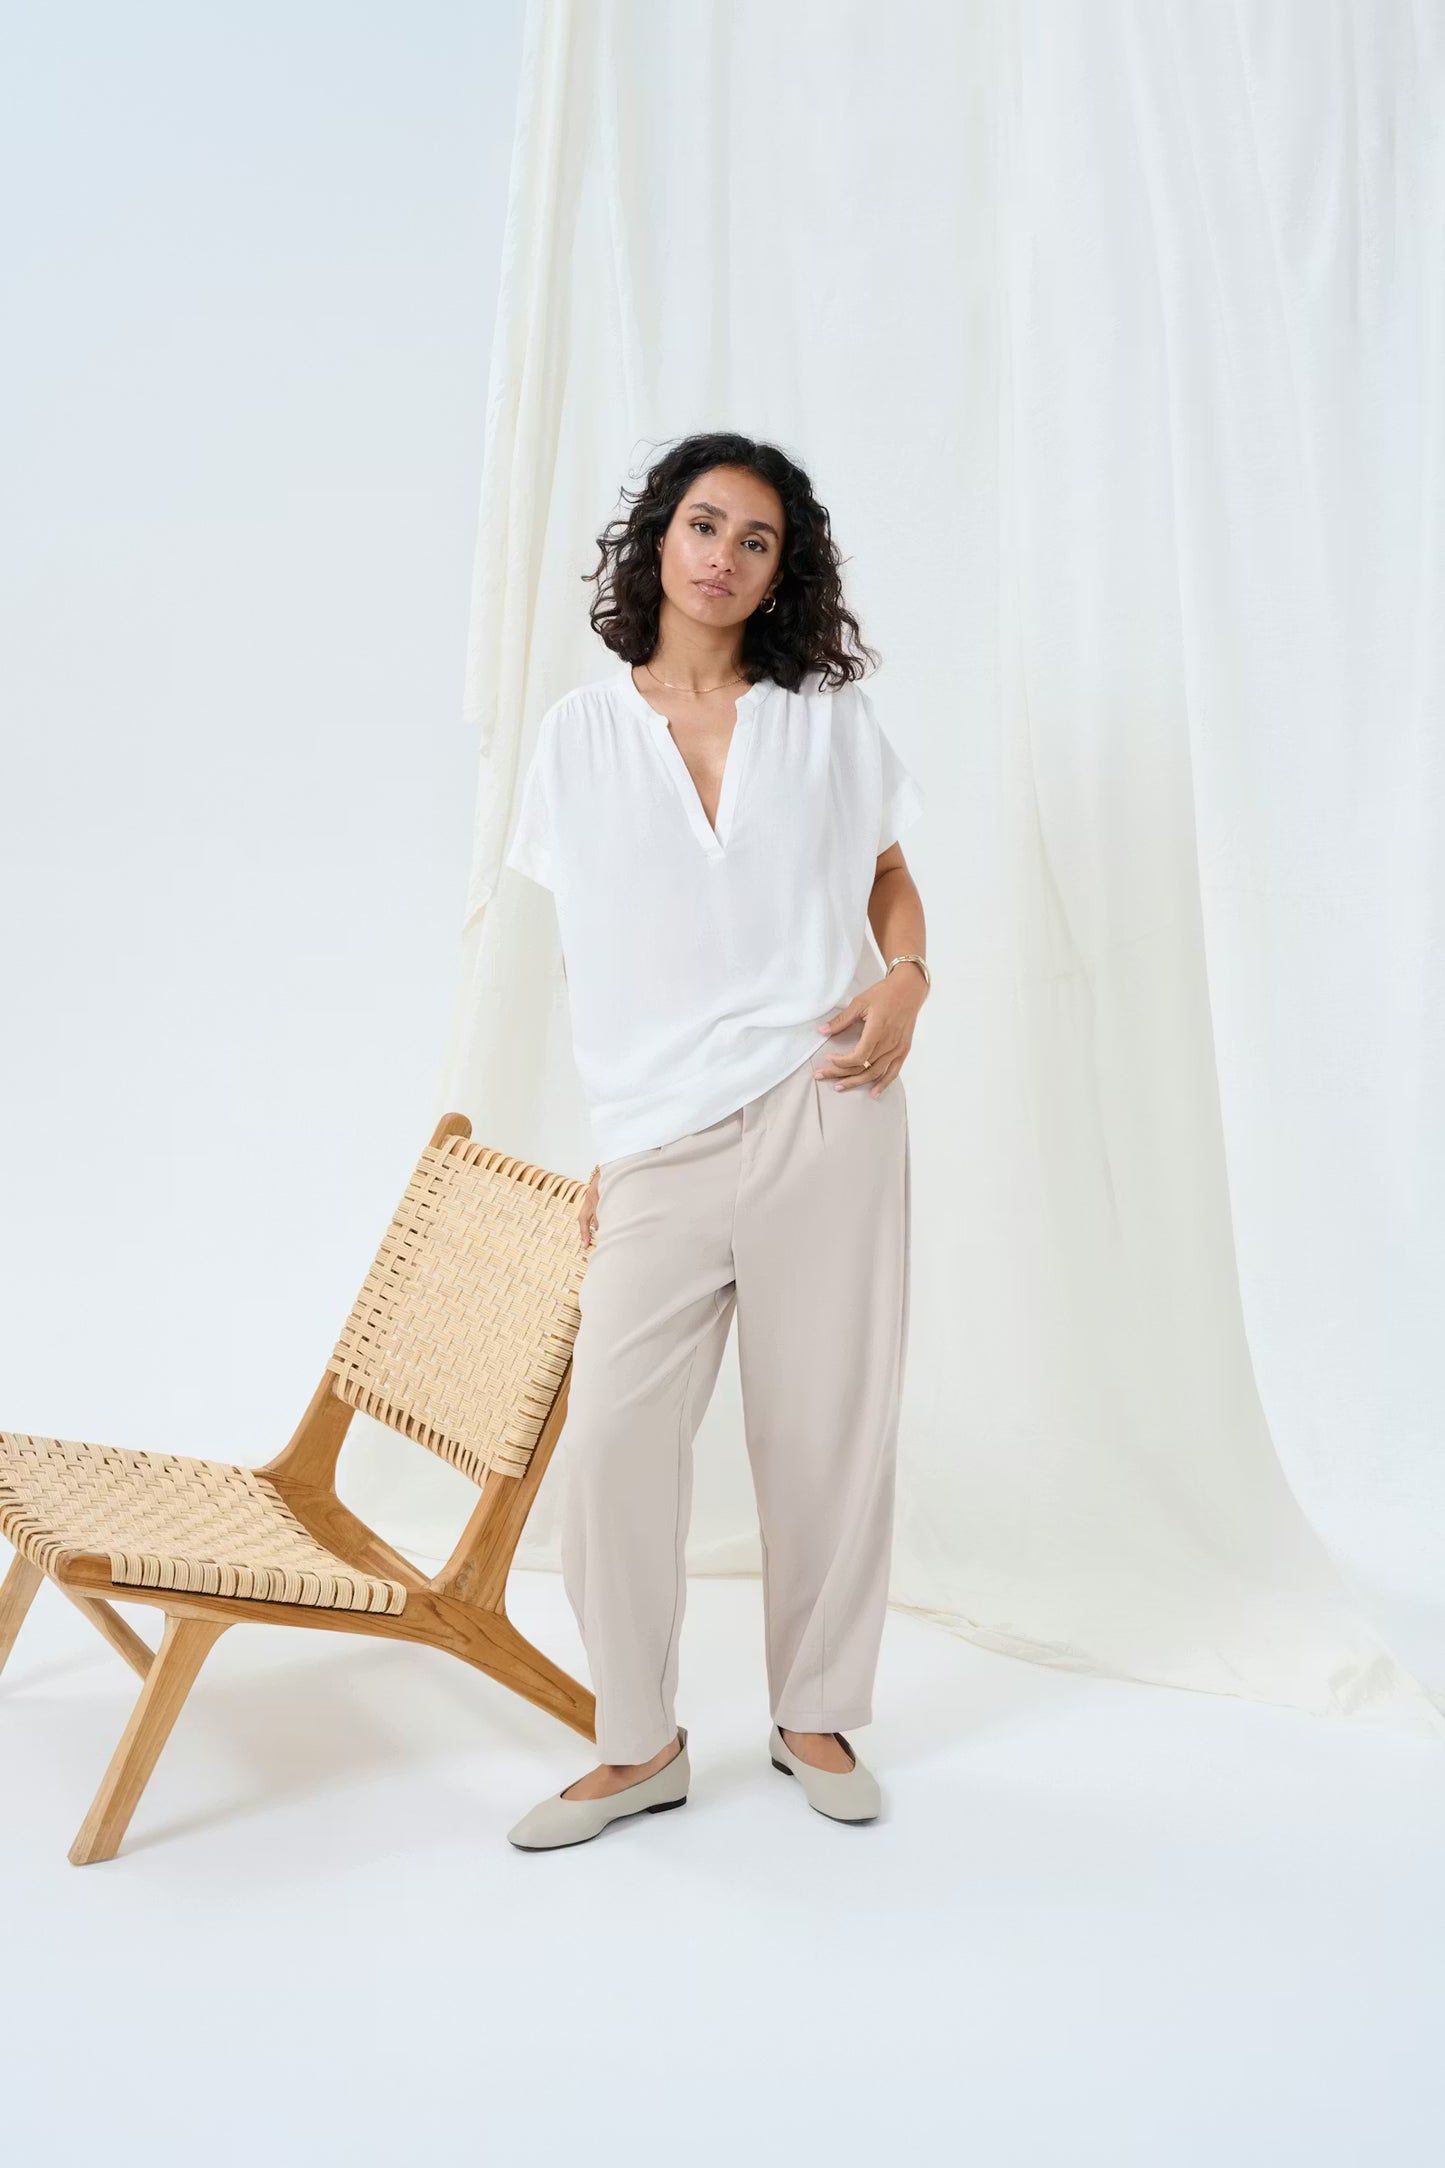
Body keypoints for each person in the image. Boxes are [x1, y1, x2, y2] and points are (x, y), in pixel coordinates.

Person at [501, 430, 928, 1850]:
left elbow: (885, 879)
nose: (726, 556)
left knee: (823, 1432)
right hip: (659, 1141)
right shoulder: (574, 736)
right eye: (705, 525)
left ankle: (813, 1711)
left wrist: (908, 980)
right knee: (616, 1439)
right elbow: (601, 962)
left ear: (780, 570)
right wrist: (612, 1150)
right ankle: (639, 1741)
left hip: (827, 1103)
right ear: (656, 540)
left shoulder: (822, 722)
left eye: (758, 541)